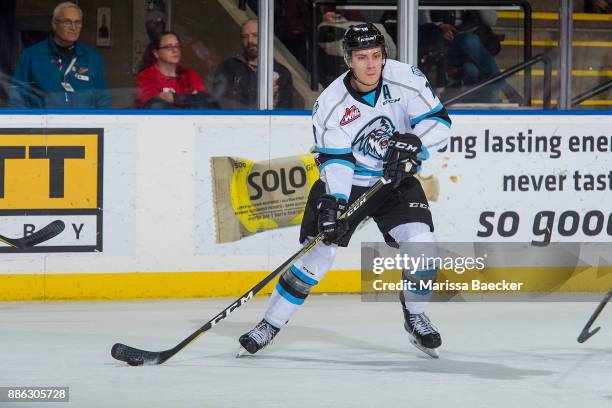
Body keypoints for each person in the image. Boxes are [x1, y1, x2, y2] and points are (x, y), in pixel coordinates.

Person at [238, 23, 451, 358]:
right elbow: (336, 161)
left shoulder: (405, 77)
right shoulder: (331, 105)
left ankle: (415, 315)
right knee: (318, 255)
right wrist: (335, 203)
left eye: (377, 56)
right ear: (348, 60)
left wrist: (414, 143)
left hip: (395, 180)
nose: (371, 65)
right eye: (362, 57)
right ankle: (270, 324)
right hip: (348, 182)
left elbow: (440, 123)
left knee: (423, 246)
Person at [8, 2, 110, 109]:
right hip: (45, 124)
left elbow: (103, 101)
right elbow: (17, 100)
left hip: (84, 124)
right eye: (67, 22)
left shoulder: (92, 57)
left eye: (77, 22)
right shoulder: (31, 56)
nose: (73, 27)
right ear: (54, 24)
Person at [212, 19, 293, 109]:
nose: (250, 40)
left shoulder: (281, 72)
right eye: (245, 37)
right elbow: (220, 105)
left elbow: (284, 111)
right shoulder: (228, 68)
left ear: (266, 37)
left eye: (255, 35)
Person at [135, 31, 213, 109]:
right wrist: (191, 99)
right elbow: (155, 107)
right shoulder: (146, 77)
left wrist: (176, 98)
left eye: (177, 46)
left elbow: (207, 102)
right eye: (169, 47)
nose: (175, 50)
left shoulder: (189, 74)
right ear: (156, 53)